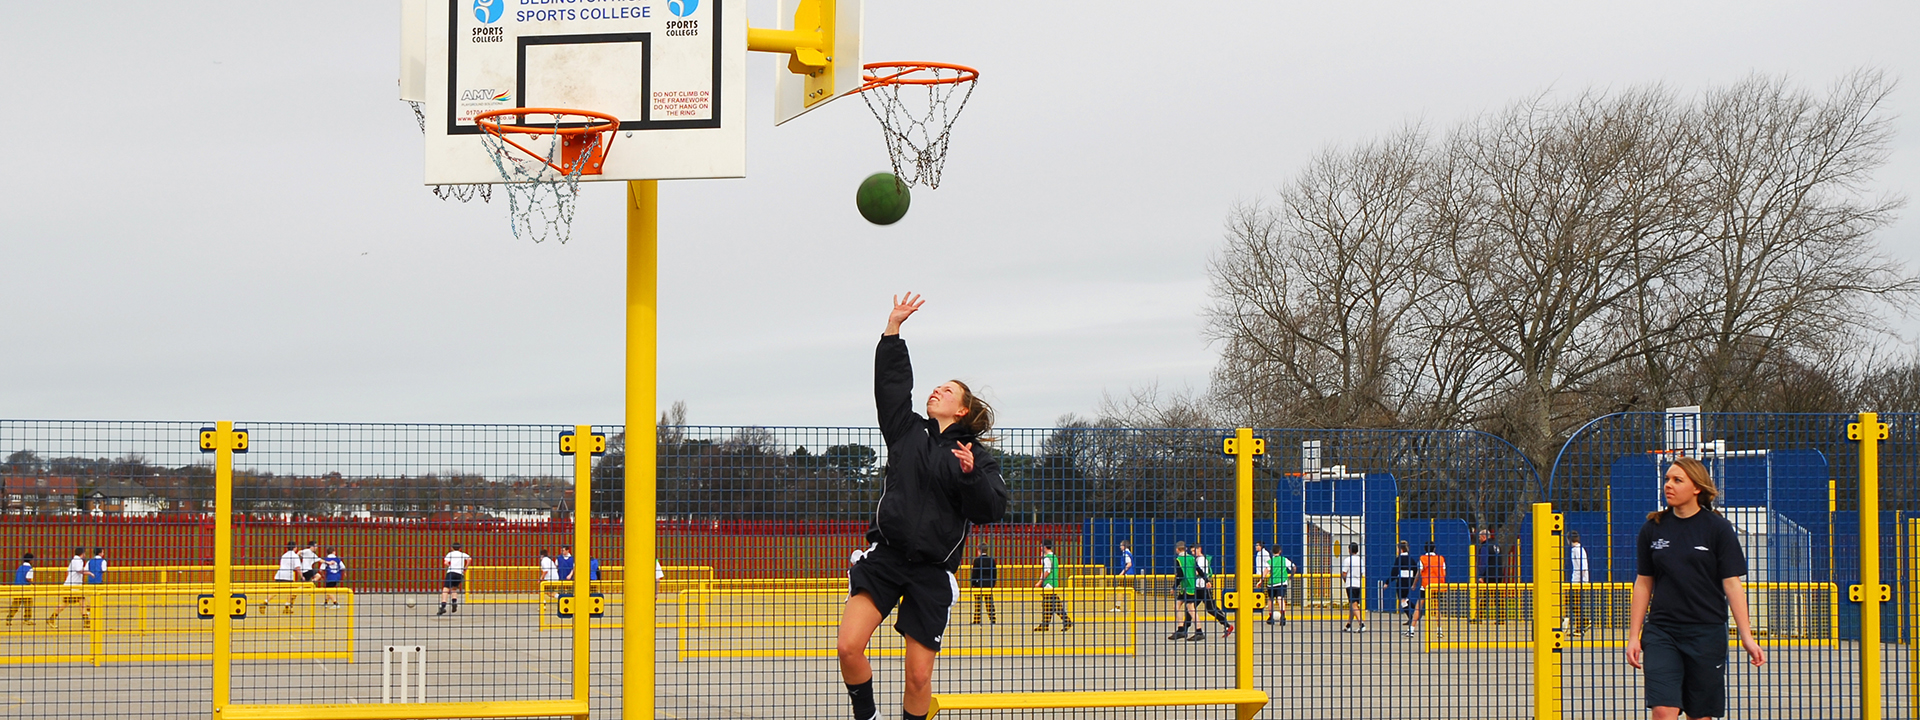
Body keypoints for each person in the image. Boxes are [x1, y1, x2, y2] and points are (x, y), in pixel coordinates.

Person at [836, 294, 1010, 720]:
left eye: (946, 390)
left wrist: (969, 475)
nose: (936, 391)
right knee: (847, 646)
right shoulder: (906, 431)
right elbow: (893, 388)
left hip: (932, 570)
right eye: (936, 387)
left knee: (918, 678)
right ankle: (868, 717)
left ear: (963, 408)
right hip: (887, 557)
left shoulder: (976, 455)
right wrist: (893, 331)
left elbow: (992, 508)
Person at [1626, 456, 1766, 720]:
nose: (1668, 485)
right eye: (1667, 479)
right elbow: (1644, 582)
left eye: (1677, 480)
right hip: (1662, 632)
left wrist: (1747, 637)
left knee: (1699, 715)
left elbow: (1732, 584)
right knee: (1663, 710)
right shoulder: (1652, 529)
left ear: (1697, 488)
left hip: (1706, 633)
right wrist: (1635, 635)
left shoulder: (1718, 528)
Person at [1191, 543, 1233, 637]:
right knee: (1190, 608)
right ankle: (1185, 629)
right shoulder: (1197, 559)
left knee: (1211, 609)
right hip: (1198, 587)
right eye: (1192, 551)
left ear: (1200, 549)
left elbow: (1199, 572)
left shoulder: (1202, 560)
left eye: (1194, 550)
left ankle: (1227, 625)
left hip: (1203, 588)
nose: (1193, 553)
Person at [1032, 538, 1072, 631]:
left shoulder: (1047, 559)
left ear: (1044, 547)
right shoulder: (1053, 557)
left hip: (1048, 584)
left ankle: (1066, 620)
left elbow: (1047, 571)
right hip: (1053, 583)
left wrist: (1039, 582)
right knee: (1048, 604)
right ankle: (1045, 624)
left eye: (1041, 546)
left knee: (1053, 604)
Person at [1167, 541, 1202, 641]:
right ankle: (1181, 629)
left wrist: (1174, 587)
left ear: (1177, 549)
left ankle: (1199, 631)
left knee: (1191, 609)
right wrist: (1206, 580)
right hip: (1189, 586)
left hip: (1187, 586)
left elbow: (1180, 575)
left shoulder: (1179, 560)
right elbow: (1199, 570)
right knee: (1177, 605)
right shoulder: (1191, 558)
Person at [46, 547, 89, 626]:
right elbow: (79, 570)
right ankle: (52, 618)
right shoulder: (78, 561)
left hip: (74, 586)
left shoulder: (74, 561)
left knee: (81, 602)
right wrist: (89, 573)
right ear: (82, 553)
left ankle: (86, 621)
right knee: (67, 603)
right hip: (73, 587)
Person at [1410, 541, 1445, 637]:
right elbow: (1444, 572)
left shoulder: (1423, 559)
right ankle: (1439, 630)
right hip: (1437, 586)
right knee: (1437, 608)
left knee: (1418, 607)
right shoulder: (1441, 559)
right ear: (1434, 549)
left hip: (1426, 586)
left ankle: (1412, 630)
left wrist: (1414, 584)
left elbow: (1419, 573)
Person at [1474, 528, 1505, 623]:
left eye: (1480, 537)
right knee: (1498, 597)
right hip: (1498, 574)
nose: (1479, 539)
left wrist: (1480, 575)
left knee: (1485, 596)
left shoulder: (1485, 547)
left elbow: (1483, 562)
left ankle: (1479, 617)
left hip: (1489, 575)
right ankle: (1500, 617)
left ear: (1484, 537)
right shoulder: (1496, 546)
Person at [1566, 529, 1589, 637]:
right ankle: (1582, 623)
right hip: (1578, 580)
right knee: (1575, 603)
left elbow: (1582, 567)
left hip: (1578, 582)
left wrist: (1579, 581)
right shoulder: (1578, 549)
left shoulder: (1577, 550)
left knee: (1574, 603)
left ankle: (1583, 624)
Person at [439, 542, 472, 616]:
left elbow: (446, 562)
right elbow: (469, 559)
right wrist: (465, 567)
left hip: (451, 572)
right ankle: (454, 601)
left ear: (452, 548)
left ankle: (443, 606)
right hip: (459, 573)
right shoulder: (462, 554)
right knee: (454, 588)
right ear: (460, 548)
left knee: (446, 589)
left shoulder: (450, 554)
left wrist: (450, 565)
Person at [266, 541, 300, 611]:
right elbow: (298, 567)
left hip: (279, 574)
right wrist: (302, 576)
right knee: (294, 590)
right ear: (295, 547)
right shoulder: (295, 556)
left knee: (275, 591)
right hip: (288, 575)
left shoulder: (284, 555)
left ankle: (266, 601)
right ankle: (288, 604)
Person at [968, 545, 997, 625]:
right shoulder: (992, 560)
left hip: (979, 584)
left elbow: (975, 573)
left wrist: (973, 583)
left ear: (979, 550)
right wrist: (992, 583)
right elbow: (994, 573)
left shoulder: (977, 561)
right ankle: (992, 619)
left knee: (978, 603)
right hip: (988, 584)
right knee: (989, 603)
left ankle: (977, 620)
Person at [1266, 545, 1295, 626]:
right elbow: (1293, 567)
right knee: (1280, 598)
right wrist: (1291, 575)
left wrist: (1261, 580)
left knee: (1271, 599)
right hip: (1282, 581)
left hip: (1272, 582)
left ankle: (1271, 617)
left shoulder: (1270, 561)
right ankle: (1283, 616)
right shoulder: (1284, 560)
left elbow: (1266, 570)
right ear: (1280, 551)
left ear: (1272, 552)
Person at [1391, 540, 1418, 626]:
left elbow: (1394, 571)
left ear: (1401, 549)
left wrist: (1388, 582)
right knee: (1404, 598)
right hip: (1409, 581)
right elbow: (1415, 569)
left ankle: (1412, 615)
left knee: (1402, 600)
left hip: (1402, 581)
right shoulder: (1411, 559)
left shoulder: (1399, 559)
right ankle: (1414, 612)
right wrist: (1413, 580)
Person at [1340, 542, 1364, 633]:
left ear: (1349, 550)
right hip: (1358, 584)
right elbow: (1362, 573)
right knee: (1353, 604)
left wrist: (1346, 580)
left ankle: (1361, 624)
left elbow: (1344, 573)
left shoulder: (1347, 560)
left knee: (1353, 605)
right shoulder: (1360, 560)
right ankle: (1348, 624)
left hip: (1350, 584)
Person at [6, 553, 33, 626]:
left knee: (15, 604)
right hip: (26, 588)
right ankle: (27, 619)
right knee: (28, 604)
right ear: (31, 560)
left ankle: (9, 619)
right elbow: (28, 578)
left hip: (17, 587)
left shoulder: (19, 568)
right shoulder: (30, 569)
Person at [1112, 539, 1134, 611]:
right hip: (1130, 574)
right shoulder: (1128, 553)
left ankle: (1118, 607)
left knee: (1120, 589)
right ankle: (1131, 607)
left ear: (1124, 546)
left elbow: (1129, 564)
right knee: (1128, 591)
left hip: (1127, 575)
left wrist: (1122, 573)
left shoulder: (1126, 553)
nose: (1120, 547)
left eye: (1121, 545)